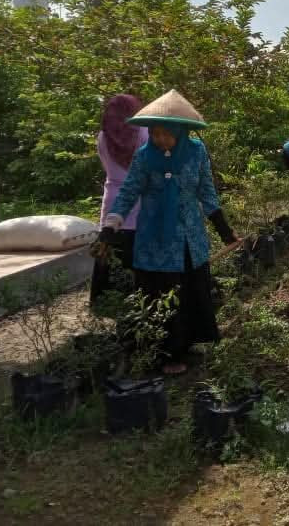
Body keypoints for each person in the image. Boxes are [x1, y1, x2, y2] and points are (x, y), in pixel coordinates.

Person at [100, 90, 239, 375]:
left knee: (190, 288)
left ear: (180, 131)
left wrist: (224, 229)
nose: (161, 140)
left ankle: (187, 344)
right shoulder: (144, 157)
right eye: (156, 134)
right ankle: (166, 353)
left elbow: (206, 192)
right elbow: (128, 192)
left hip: (189, 234)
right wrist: (111, 225)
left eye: (167, 134)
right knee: (160, 291)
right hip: (155, 236)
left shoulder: (196, 153)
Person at [91, 94, 149, 305]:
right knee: (135, 256)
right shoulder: (145, 132)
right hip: (140, 201)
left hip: (112, 200)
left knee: (110, 250)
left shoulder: (102, 137)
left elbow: (107, 168)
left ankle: (106, 303)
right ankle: (138, 304)